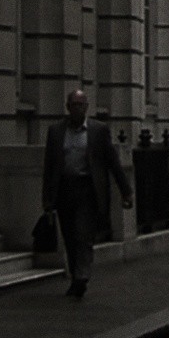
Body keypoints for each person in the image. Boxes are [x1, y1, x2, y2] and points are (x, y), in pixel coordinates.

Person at [42, 89, 132, 299]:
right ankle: (76, 277)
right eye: (73, 104)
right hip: (64, 189)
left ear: (87, 108)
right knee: (69, 237)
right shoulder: (55, 132)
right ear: (67, 107)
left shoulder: (98, 131)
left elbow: (113, 162)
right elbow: (49, 167)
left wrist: (126, 191)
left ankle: (82, 275)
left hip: (88, 190)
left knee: (83, 234)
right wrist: (47, 200)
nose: (77, 109)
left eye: (81, 105)